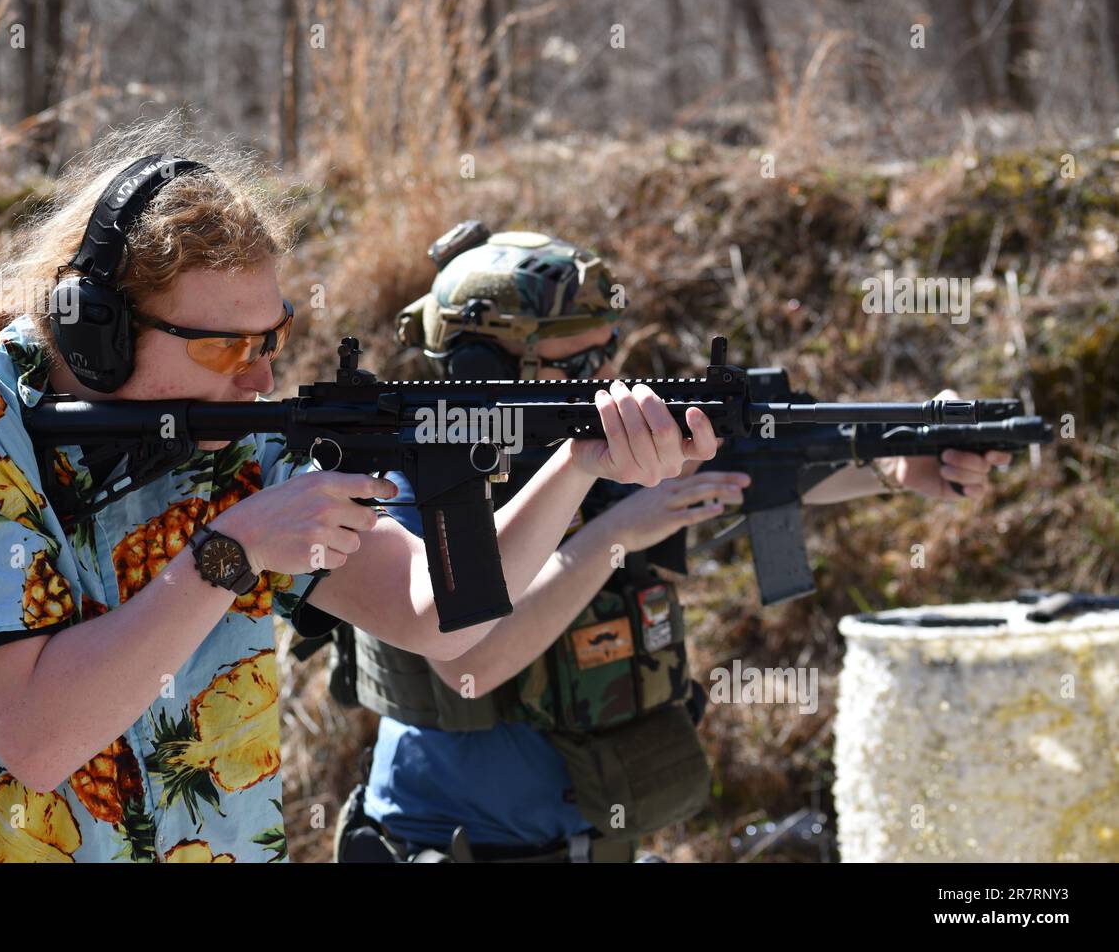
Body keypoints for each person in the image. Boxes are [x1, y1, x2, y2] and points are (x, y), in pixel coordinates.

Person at [0, 126, 716, 863]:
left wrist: (581, 467)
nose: (262, 378)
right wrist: (231, 555)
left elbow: (436, 614)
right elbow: (38, 738)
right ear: (97, 333)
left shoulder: (230, 432)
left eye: (275, 336)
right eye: (228, 347)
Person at [330, 224, 1013, 863]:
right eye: (578, 362)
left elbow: (762, 469)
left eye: (606, 354)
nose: (600, 378)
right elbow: (469, 661)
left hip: (593, 839)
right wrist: (618, 533)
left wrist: (899, 464)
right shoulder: (414, 476)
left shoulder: (592, 442)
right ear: (486, 368)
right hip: (449, 845)